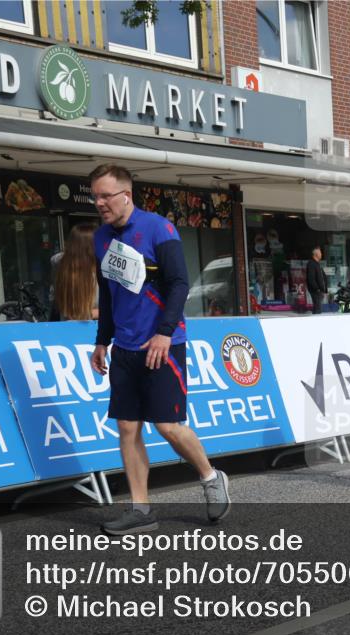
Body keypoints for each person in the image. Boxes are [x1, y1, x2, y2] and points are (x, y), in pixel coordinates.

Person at [87, 164, 231, 534]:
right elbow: (108, 291)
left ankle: (210, 476)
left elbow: (180, 283)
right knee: (127, 427)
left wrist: (164, 333)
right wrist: (102, 339)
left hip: (163, 344)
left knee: (168, 426)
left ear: (126, 195)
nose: (99, 202)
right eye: (96, 196)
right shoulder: (101, 238)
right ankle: (141, 509)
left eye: (105, 195)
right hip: (125, 347)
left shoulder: (158, 228)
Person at [51, 222, 99, 321]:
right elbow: (79, 314)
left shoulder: (62, 267)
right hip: (91, 329)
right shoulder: (97, 273)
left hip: (67, 329)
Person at [306, 245, 327, 314]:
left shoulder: (317, 264)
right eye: (320, 253)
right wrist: (317, 289)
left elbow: (322, 277)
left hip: (320, 291)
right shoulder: (311, 264)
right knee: (318, 309)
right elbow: (311, 279)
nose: (321, 254)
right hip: (316, 291)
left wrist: (324, 289)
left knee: (318, 308)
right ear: (316, 254)